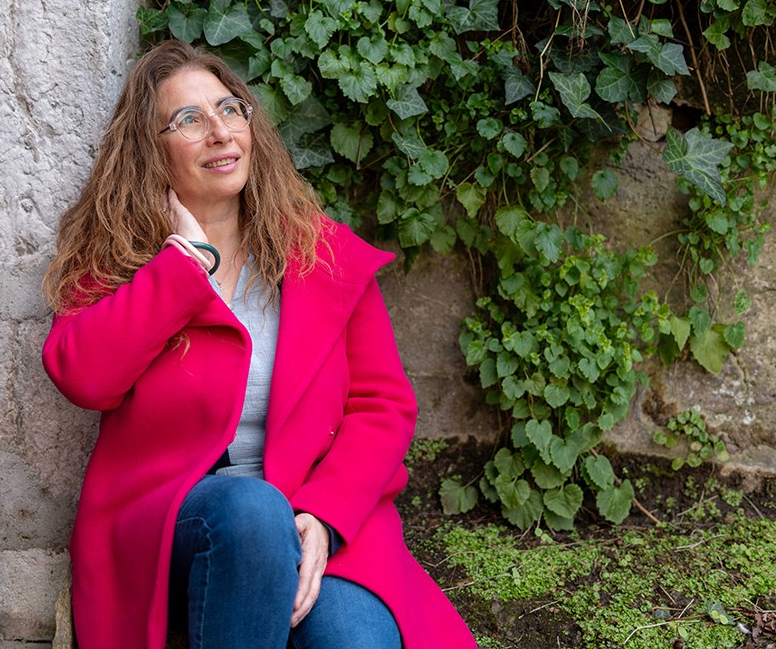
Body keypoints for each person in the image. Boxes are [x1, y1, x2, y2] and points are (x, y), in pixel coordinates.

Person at [41, 39, 477, 649]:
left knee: (355, 643)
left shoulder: (320, 254)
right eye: (189, 120)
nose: (219, 131)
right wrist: (180, 269)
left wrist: (324, 516)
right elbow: (83, 376)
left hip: (311, 514)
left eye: (230, 109)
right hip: (181, 519)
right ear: (150, 150)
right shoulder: (119, 259)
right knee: (249, 511)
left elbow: (383, 406)